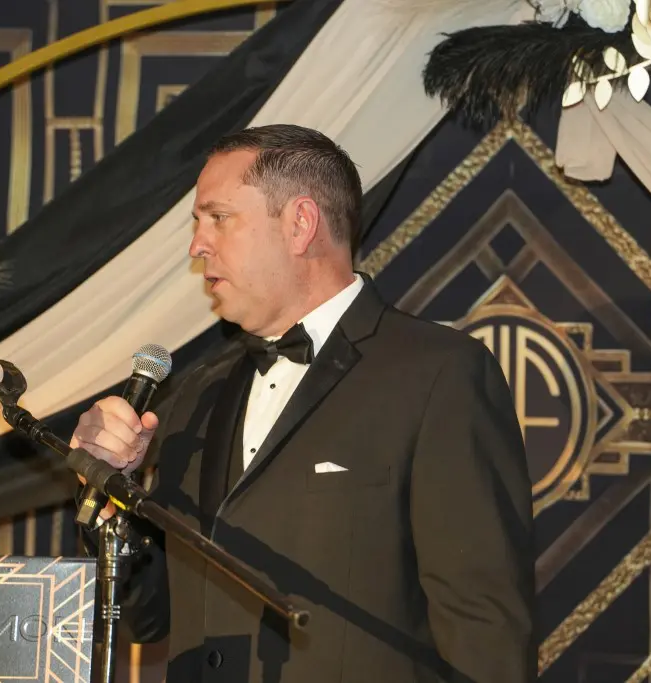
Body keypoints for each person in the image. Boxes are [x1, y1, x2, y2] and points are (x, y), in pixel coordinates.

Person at [71, 124, 535, 683]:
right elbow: (146, 617)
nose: (197, 245)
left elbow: (486, 633)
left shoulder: (439, 373)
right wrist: (112, 488)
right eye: (198, 223)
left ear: (300, 224)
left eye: (218, 218)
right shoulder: (195, 394)